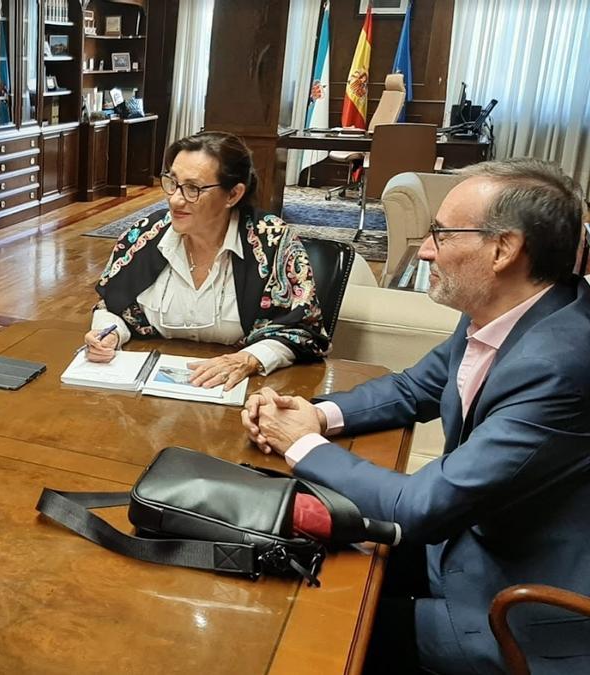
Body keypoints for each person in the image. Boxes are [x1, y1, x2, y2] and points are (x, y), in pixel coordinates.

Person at [242, 159, 590, 674]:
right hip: (469, 545)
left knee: (299, 634)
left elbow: (423, 506)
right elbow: (415, 388)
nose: (425, 249)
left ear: (505, 249)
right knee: (284, 554)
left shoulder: (559, 362)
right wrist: (316, 415)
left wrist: (300, 445)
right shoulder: (509, 311)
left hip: (522, 609)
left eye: (442, 233)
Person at [85, 131, 329, 391]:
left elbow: (303, 330)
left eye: (193, 188)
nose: (175, 199)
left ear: (233, 195)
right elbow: (111, 305)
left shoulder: (274, 242)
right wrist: (108, 334)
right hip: (146, 389)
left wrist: (249, 359)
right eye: (172, 182)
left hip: (243, 390)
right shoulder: (145, 235)